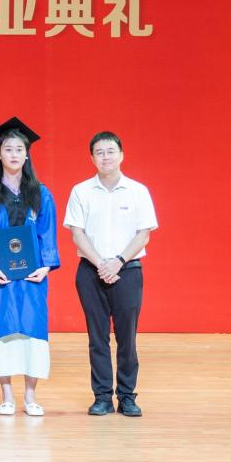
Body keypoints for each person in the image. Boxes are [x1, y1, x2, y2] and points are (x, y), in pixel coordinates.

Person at [0, 117, 59, 416]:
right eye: (8, 149)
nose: (14, 154)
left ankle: (30, 396)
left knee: (33, 332)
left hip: (32, 276)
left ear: (27, 154)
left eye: (20, 149)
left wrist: (46, 267)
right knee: (2, 330)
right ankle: (6, 394)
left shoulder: (41, 193)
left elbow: (47, 233)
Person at [64, 130, 158, 417]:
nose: (105, 157)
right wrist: (100, 264)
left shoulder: (138, 191)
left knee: (127, 338)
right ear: (92, 158)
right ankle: (102, 397)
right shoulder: (81, 191)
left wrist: (117, 261)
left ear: (121, 155)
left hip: (127, 271)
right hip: (90, 272)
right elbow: (77, 233)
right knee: (97, 337)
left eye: (110, 151)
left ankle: (127, 397)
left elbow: (143, 234)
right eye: (99, 152)